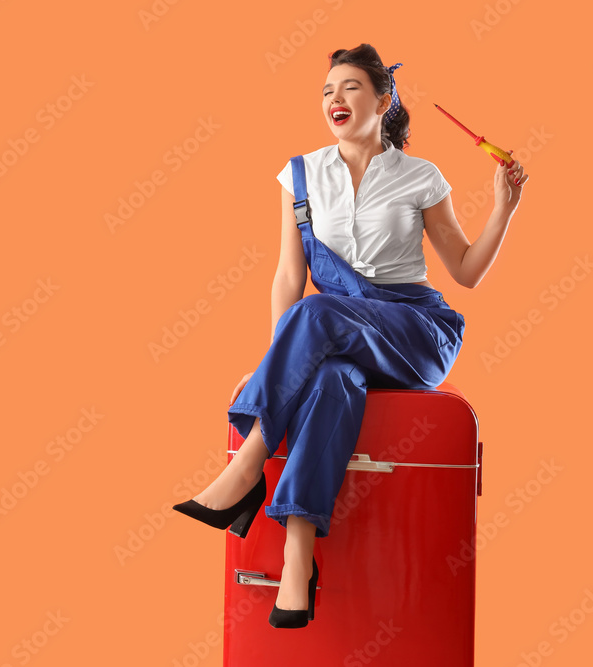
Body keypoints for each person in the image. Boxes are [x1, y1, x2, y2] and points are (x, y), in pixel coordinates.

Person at [172, 43, 526, 629]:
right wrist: (275, 364)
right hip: (335, 336)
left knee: (318, 314)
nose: (334, 99)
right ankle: (297, 561)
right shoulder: (300, 174)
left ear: (384, 101)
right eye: (326, 91)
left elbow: (464, 270)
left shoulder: (421, 176)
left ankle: (246, 469)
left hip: (415, 334)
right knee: (331, 380)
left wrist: (504, 208)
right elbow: (288, 278)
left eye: (351, 88)